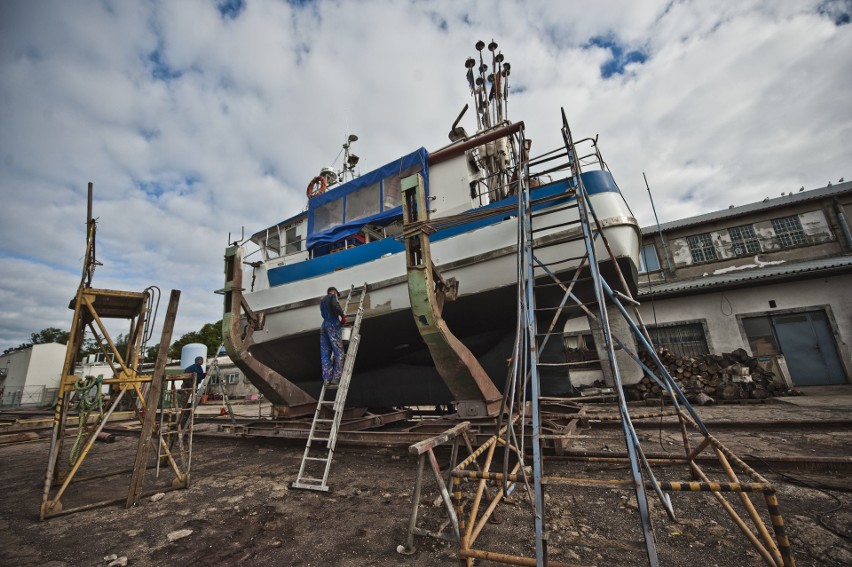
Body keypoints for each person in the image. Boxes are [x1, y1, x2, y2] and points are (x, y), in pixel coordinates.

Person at [320, 286, 347, 384]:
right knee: (338, 351)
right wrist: (342, 316)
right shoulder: (332, 297)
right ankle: (336, 377)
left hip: (324, 326)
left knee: (325, 353)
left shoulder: (322, 300)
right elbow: (336, 306)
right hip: (332, 325)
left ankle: (327, 378)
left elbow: (323, 315)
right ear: (334, 292)